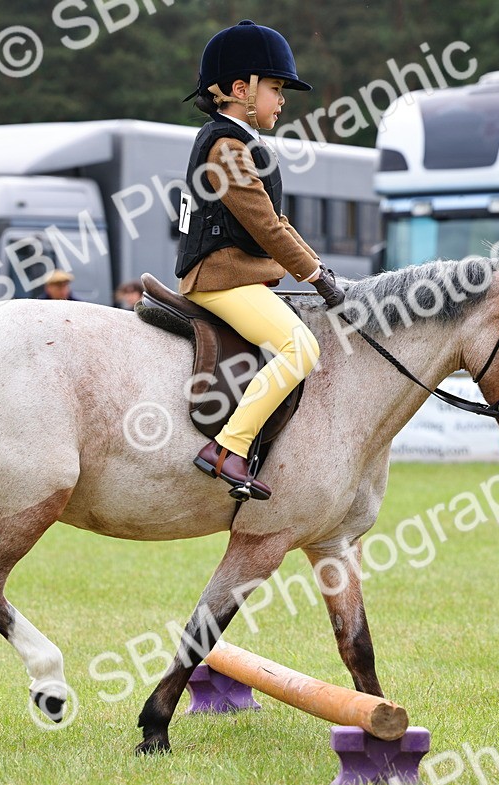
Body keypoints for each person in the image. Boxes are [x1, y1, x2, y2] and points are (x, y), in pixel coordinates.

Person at [175, 20, 345, 501]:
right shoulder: (227, 145)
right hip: (221, 279)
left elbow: (279, 222)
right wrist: (315, 278)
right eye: (274, 88)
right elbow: (266, 229)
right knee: (300, 348)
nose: (282, 99)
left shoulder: (242, 141)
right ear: (238, 89)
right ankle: (229, 447)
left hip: (239, 278)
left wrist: (322, 270)